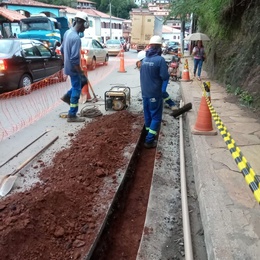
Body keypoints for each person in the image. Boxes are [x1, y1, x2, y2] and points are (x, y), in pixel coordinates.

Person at [139, 36, 170, 148]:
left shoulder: (145, 59)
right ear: (159, 47)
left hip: (145, 93)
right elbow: (165, 76)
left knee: (148, 115)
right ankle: (149, 140)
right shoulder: (160, 60)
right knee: (156, 117)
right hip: (154, 93)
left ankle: (148, 133)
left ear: (150, 46)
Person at [60, 11, 90, 122]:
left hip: (68, 67)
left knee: (80, 83)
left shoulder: (67, 33)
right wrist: (80, 72)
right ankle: (72, 114)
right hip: (73, 68)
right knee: (77, 89)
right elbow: (74, 59)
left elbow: (62, 50)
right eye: (85, 26)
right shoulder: (76, 38)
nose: (85, 29)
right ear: (82, 23)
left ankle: (67, 96)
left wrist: (64, 63)